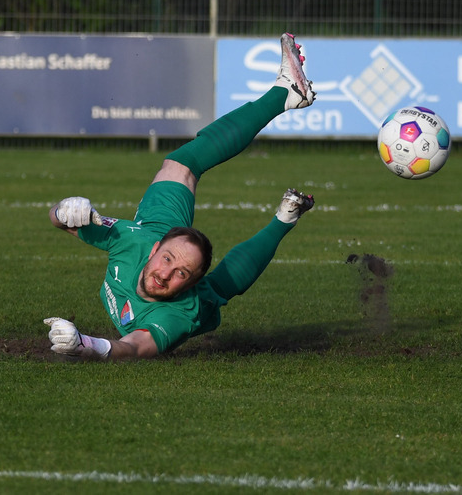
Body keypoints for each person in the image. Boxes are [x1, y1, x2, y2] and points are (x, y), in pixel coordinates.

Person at [43, 32, 317, 361]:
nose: (165, 274)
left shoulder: (179, 314)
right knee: (180, 166)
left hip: (185, 282)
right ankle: (282, 98)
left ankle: (283, 215)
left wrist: (85, 344)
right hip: (158, 225)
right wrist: (67, 209)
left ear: (188, 285)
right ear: (156, 249)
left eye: (182, 275)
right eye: (168, 260)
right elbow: (59, 220)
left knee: (212, 291)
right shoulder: (134, 240)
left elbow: (132, 347)